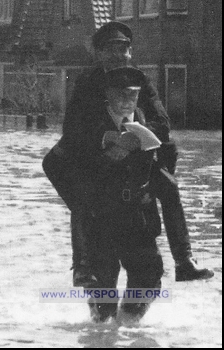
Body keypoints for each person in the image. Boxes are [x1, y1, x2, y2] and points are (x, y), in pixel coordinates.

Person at [43, 21, 213, 285]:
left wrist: (137, 134)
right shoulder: (87, 82)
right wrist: (105, 136)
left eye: (124, 50)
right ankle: (82, 266)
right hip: (99, 159)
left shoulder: (141, 79)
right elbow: (72, 129)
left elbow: (163, 123)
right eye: (111, 50)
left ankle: (184, 260)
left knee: (169, 186)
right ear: (99, 54)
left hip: (136, 158)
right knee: (83, 194)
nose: (118, 55)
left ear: (131, 53)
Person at [83, 66, 165, 323]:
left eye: (132, 94)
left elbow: (166, 157)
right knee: (101, 287)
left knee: (149, 278)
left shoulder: (148, 123)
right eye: (120, 94)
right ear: (108, 94)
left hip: (138, 215)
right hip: (102, 216)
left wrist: (150, 189)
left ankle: (128, 324)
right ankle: (101, 331)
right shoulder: (90, 127)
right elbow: (72, 164)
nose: (126, 99)